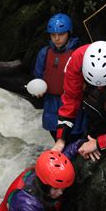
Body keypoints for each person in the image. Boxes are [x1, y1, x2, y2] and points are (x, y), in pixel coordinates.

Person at [33, 13, 87, 141]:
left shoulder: (78, 53)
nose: (57, 38)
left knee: (73, 135)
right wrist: (37, 89)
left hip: (72, 101)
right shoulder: (44, 53)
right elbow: (38, 76)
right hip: (51, 101)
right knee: (55, 134)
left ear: (69, 33)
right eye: (53, 35)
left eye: (61, 34)